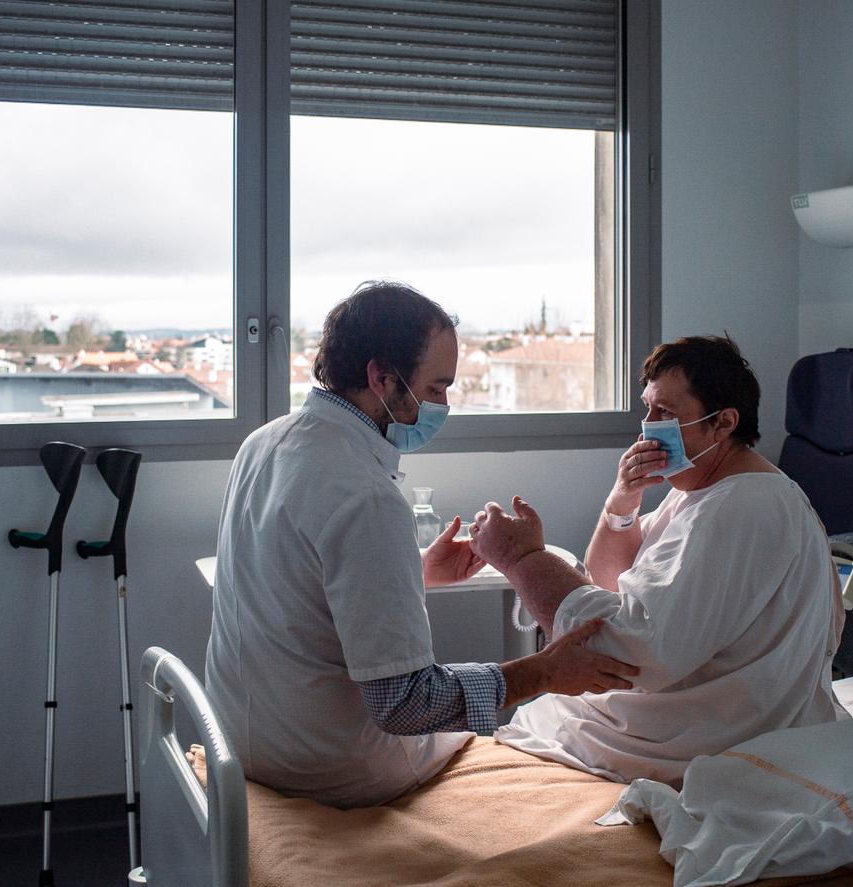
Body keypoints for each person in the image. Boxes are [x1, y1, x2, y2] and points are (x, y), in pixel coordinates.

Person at [204, 280, 637, 808]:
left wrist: (414, 570)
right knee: (527, 734)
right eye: (435, 389)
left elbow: (294, 584)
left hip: (244, 739)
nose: (443, 405)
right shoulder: (365, 495)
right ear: (381, 377)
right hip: (328, 767)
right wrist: (545, 671)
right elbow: (405, 705)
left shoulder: (264, 443)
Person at [470, 335, 846, 787]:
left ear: (723, 423)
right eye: (646, 410)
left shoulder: (740, 506)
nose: (648, 427)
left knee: (544, 719)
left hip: (713, 737)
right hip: (706, 715)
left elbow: (625, 653)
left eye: (665, 413)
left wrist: (522, 558)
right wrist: (622, 502)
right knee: (545, 715)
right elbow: (610, 579)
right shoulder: (700, 492)